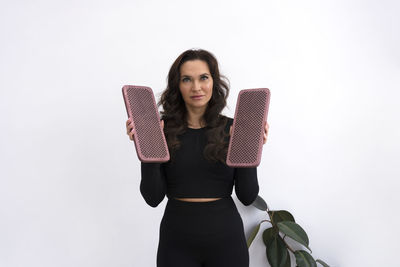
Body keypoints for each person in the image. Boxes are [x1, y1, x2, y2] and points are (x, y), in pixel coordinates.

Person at [125, 49, 269, 267]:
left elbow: (247, 195)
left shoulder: (234, 128)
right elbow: (153, 198)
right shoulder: (160, 130)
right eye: (186, 79)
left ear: (214, 81)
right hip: (176, 242)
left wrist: (250, 147)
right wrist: (146, 148)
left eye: (203, 77)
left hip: (227, 241)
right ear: (177, 86)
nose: (196, 87)